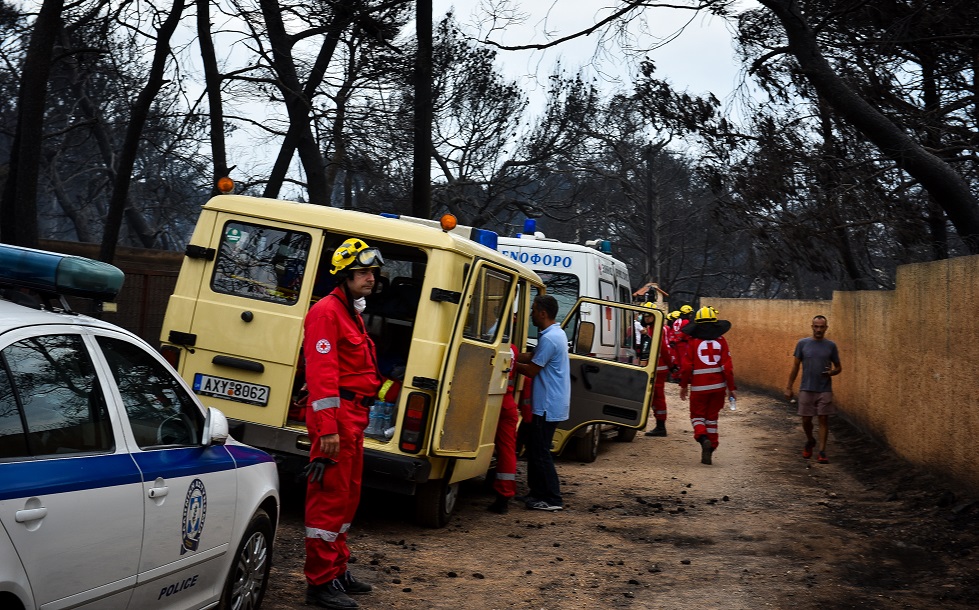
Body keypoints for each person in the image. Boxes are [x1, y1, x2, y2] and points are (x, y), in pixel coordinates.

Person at [302, 238, 384, 610]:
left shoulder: (350, 312)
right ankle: (319, 584)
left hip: (353, 419)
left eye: (372, 272)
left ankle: (336, 571)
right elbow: (322, 375)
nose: (371, 278)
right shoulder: (326, 312)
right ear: (345, 275)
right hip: (337, 422)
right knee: (329, 500)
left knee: (347, 498)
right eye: (364, 272)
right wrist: (328, 428)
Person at [514, 294, 570, 511]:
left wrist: (509, 362)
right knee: (536, 449)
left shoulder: (549, 338)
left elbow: (531, 370)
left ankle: (553, 498)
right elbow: (533, 356)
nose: (531, 314)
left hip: (547, 405)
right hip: (550, 403)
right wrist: (513, 354)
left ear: (543, 313)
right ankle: (537, 492)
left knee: (540, 452)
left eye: (534, 310)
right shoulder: (555, 334)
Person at [678, 306, 736, 465]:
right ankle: (712, 446)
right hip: (718, 387)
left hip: (699, 387)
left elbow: (687, 368)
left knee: (697, 417)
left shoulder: (693, 342)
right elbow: (728, 368)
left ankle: (703, 438)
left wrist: (683, 385)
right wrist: (731, 389)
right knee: (712, 418)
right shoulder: (721, 341)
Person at [785, 315, 842, 464]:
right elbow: (796, 366)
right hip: (806, 387)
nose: (818, 329)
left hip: (824, 388)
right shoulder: (802, 344)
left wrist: (831, 372)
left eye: (821, 327)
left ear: (826, 328)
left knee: (823, 418)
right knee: (806, 419)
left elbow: (838, 368)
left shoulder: (831, 346)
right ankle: (810, 440)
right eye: (816, 326)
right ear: (812, 327)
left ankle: (822, 452)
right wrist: (789, 387)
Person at [488, 341, 520, 514]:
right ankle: (504, 495)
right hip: (506, 401)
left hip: (492, 399)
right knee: (507, 449)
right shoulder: (513, 348)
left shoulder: (490, 342)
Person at [638, 303, 673, 437]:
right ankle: (659, 425)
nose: (646, 318)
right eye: (645, 316)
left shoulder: (655, 329)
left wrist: (671, 365)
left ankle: (661, 426)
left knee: (657, 397)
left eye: (648, 316)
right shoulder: (655, 328)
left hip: (658, 367)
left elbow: (663, 348)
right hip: (658, 367)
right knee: (655, 397)